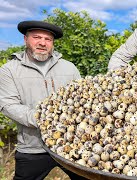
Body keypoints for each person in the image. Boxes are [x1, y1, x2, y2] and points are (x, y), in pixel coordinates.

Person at [0, 21, 86, 180]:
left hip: (70, 143)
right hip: (33, 147)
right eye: (36, 37)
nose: (42, 43)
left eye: (48, 39)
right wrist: (45, 119)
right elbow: (8, 105)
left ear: (52, 43)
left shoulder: (69, 67)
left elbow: (82, 98)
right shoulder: (9, 70)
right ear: (26, 39)